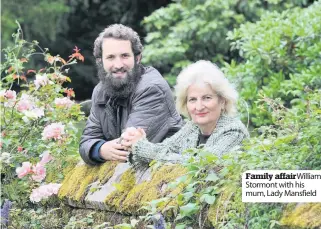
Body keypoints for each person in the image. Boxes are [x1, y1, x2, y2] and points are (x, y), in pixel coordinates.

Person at [79, 24, 183, 165]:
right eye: (110, 57)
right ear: (100, 61)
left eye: (125, 56)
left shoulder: (152, 89)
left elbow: (129, 147)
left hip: (167, 171)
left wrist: (104, 149)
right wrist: (101, 149)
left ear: (137, 58)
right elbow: (86, 143)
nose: (118, 64)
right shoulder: (100, 91)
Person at [121, 60, 249, 165]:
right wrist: (134, 141)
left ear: (222, 101)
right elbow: (162, 150)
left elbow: (203, 164)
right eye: (192, 99)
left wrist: (143, 148)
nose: (199, 107)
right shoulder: (192, 127)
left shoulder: (234, 131)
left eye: (207, 98)